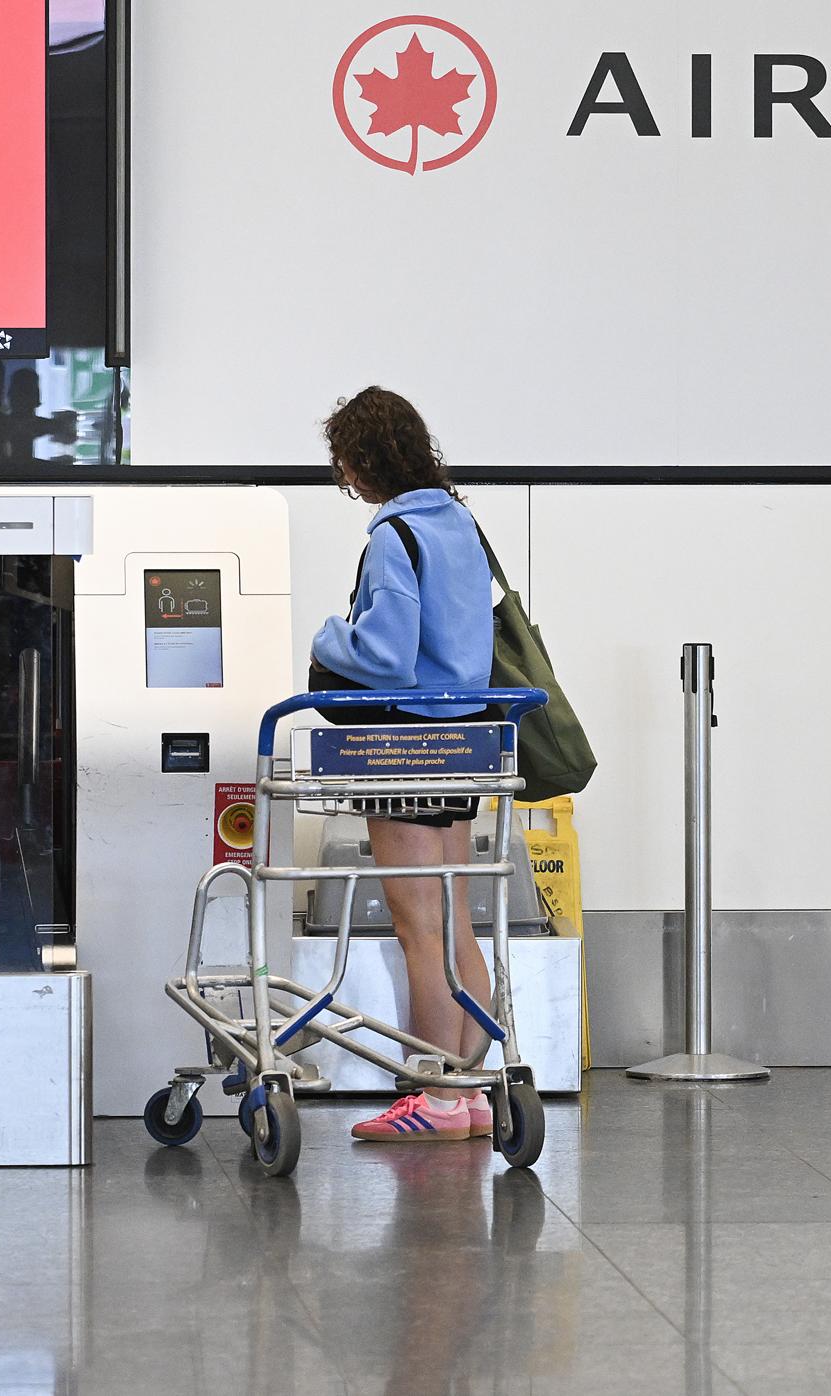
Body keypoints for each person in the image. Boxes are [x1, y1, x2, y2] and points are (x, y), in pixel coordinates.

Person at [309, 386, 497, 1143]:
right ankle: (469, 1091)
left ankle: (435, 1097)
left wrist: (329, 637)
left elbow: (384, 658)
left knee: (418, 926)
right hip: (463, 745)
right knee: (454, 923)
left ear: (359, 464)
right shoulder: (459, 524)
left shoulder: (394, 536)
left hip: (404, 747)